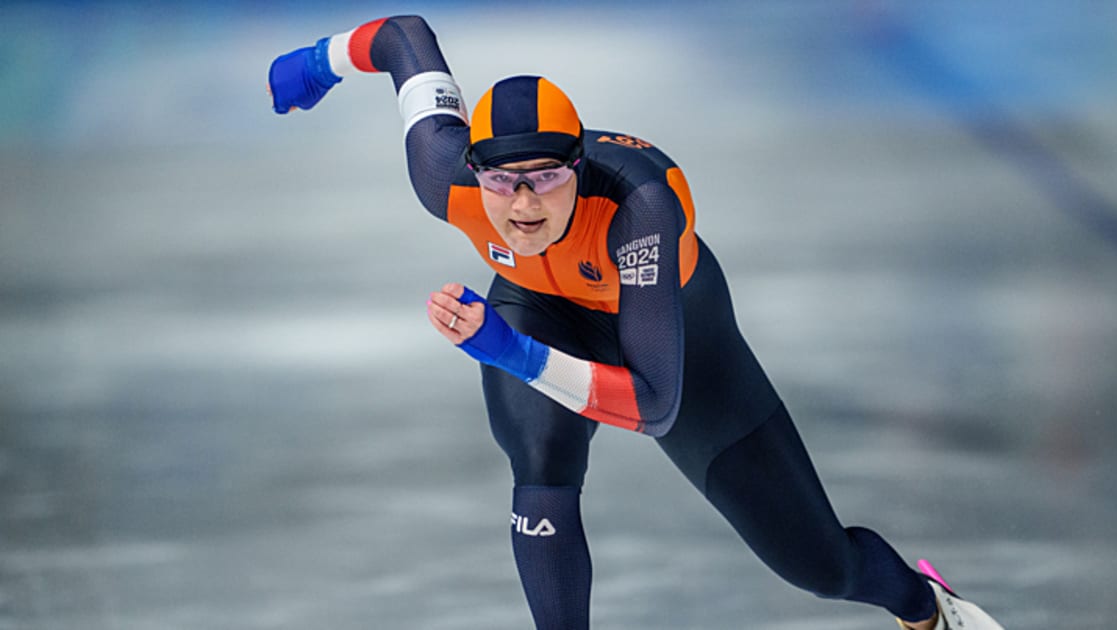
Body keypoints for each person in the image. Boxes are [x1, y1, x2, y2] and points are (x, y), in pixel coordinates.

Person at [268, 15, 1005, 630]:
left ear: (578, 166)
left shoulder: (640, 208)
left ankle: (924, 606)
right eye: (502, 181)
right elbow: (402, 37)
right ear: (473, 168)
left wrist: (509, 351)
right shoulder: (443, 175)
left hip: (674, 330)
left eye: (547, 177)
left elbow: (654, 406)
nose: (523, 204)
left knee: (820, 567)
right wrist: (319, 61)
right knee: (542, 463)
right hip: (541, 305)